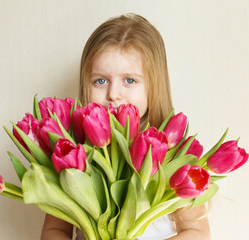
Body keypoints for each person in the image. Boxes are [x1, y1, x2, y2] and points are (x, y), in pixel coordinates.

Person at [41, 13, 210, 240]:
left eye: (129, 80)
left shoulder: (173, 156)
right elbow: (54, 231)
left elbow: (197, 232)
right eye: (100, 81)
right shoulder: (72, 154)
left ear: (153, 86)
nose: (113, 95)